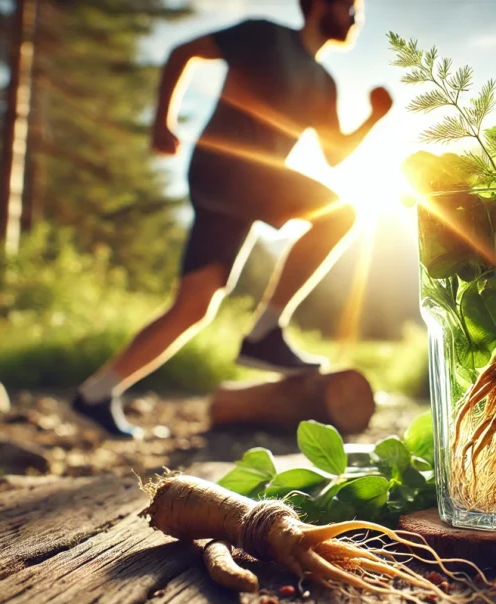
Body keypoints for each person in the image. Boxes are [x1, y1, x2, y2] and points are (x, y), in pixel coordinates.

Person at [71, 0, 392, 438]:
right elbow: (183, 51)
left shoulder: (322, 82)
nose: (357, 16)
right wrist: (162, 121)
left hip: (241, 192)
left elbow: (334, 156)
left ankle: (95, 393)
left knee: (194, 306)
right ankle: (265, 332)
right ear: (319, 4)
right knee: (338, 213)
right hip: (227, 167)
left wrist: (373, 118)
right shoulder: (264, 35)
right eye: (350, 5)